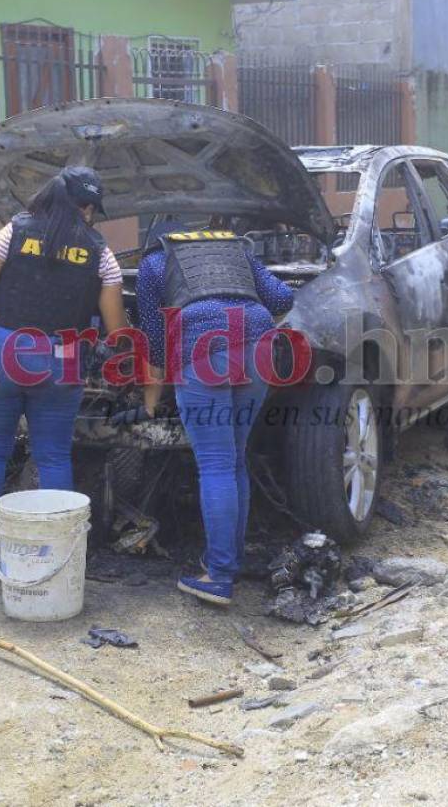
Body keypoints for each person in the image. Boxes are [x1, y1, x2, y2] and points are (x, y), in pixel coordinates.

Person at [0, 166, 128, 571]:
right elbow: (117, 329)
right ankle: (57, 554)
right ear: (79, 206)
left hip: (0, 351)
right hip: (62, 358)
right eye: (89, 207)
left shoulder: (12, 232)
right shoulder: (101, 253)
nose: (91, 216)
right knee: (52, 456)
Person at [123, 218, 295, 606]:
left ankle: (218, 577)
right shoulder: (238, 249)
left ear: (157, 242)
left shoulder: (155, 263)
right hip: (260, 344)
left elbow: (153, 338)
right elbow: (283, 299)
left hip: (203, 348)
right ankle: (227, 562)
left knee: (215, 465)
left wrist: (150, 402)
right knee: (234, 461)